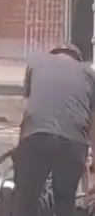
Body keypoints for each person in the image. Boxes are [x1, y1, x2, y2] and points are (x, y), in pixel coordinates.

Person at [13, 42, 95, 216]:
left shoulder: (36, 64)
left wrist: (20, 149)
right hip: (73, 142)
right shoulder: (88, 73)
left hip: (35, 136)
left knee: (25, 200)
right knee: (65, 200)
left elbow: (27, 110)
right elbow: (93, 123)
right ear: (77, 59)